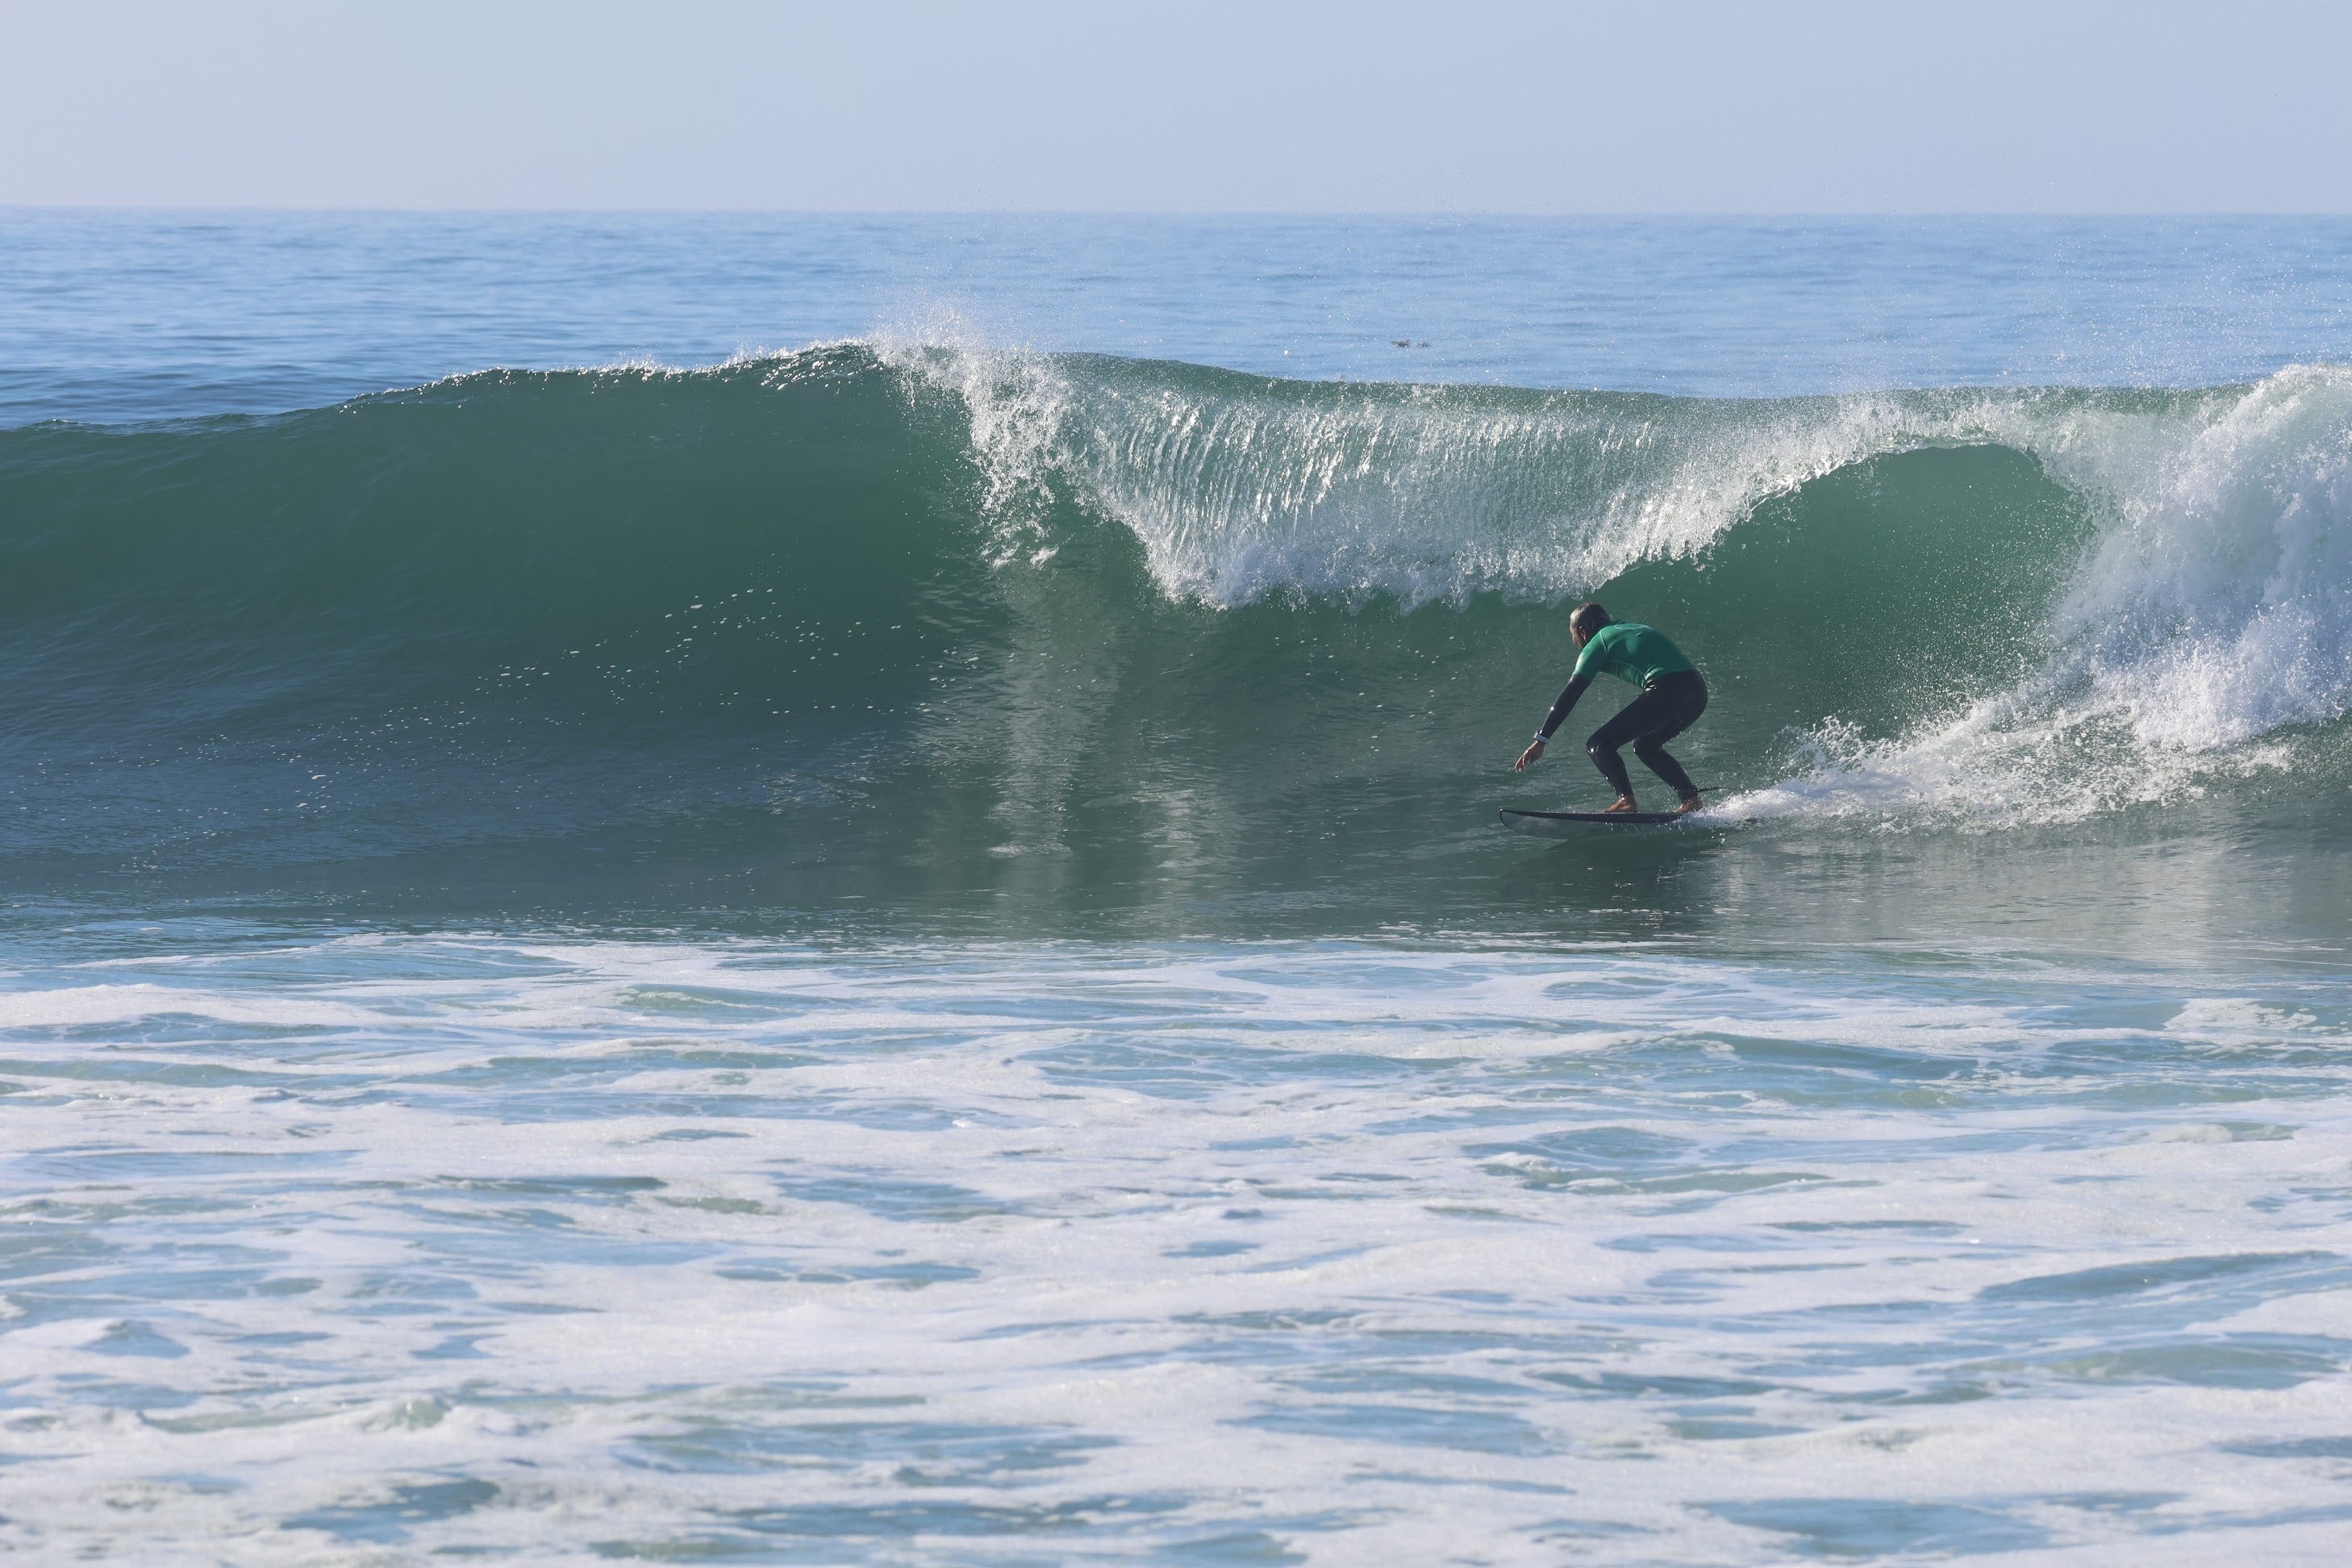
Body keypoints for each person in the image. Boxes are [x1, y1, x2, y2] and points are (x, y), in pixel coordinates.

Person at [1513, 603, 1708, 815]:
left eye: (1572, 634)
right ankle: (1691, 800)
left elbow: (1571, 693)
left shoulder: (1598, 642)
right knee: (1645, 745)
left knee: (1599, 744)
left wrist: (1541, 740)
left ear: (1582, 632)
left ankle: (1626, 801)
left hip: (1667, 689)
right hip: (1697, 691)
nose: (1573, 641)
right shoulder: (1628, 628)